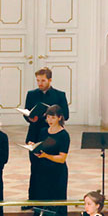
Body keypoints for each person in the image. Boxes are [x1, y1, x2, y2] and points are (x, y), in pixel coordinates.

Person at [24, 69, 69, 201]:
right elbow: (27, 113)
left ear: (50, 80)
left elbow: (65, 115)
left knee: (48, 166)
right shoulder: (31, 94)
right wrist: (30, 118)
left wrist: (50, 115)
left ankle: (49, 198)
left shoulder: (59, 95)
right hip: (35, 134)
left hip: (53, 136)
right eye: (38, 80)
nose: (40, 83)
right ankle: (32, 199)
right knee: (35, 167)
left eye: (43, 80)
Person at [30, 105, 70, 216]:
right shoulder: (43, 131)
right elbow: (41, 148)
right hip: (42, 172)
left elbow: (62, 158)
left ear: (60, 117)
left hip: (57, 174)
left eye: (53, 117)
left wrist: (46, 155)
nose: (50, 120)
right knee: (43, 206)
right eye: (48, 117)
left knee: (56, 207)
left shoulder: (64, 135)